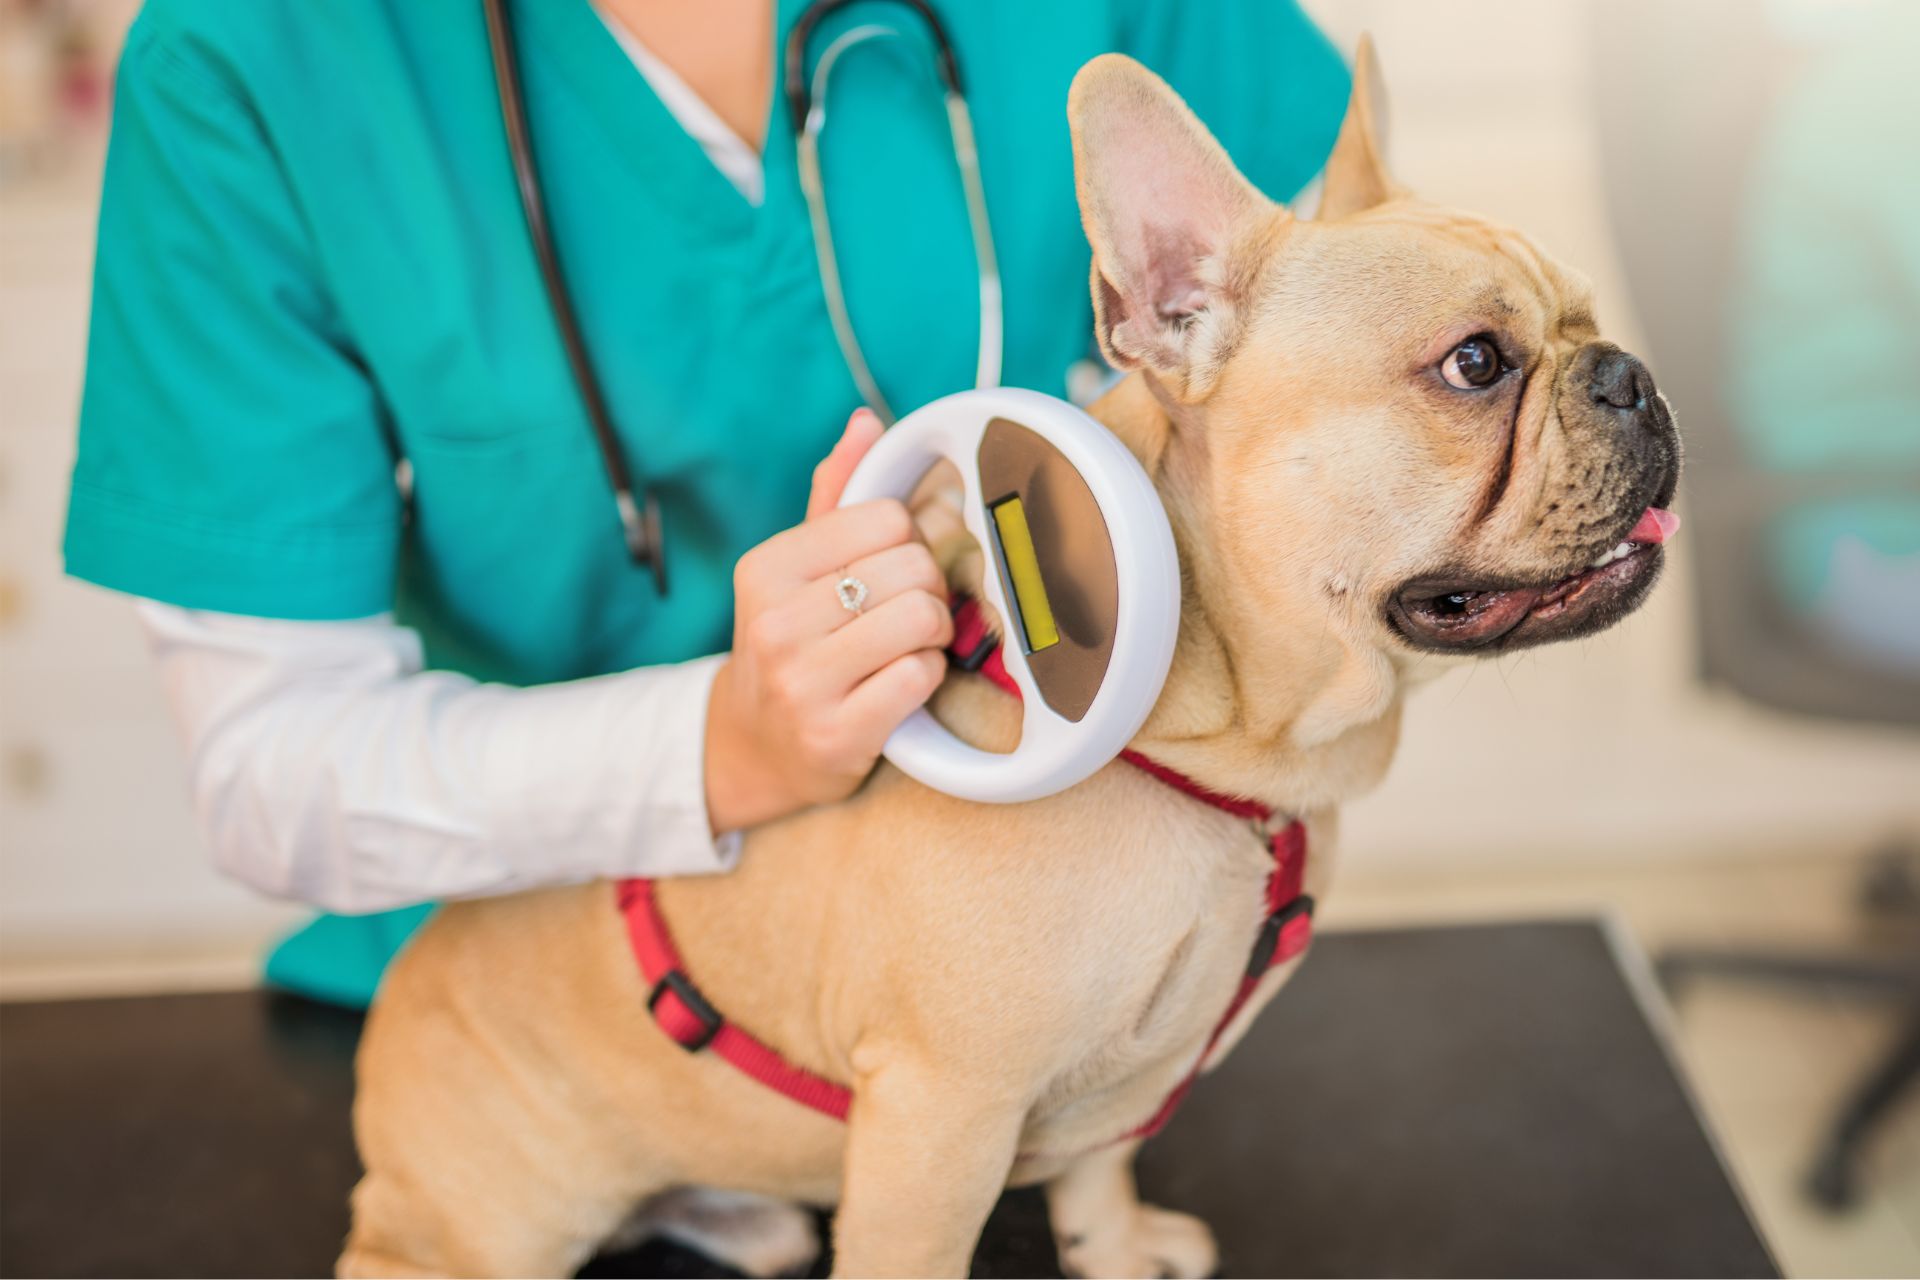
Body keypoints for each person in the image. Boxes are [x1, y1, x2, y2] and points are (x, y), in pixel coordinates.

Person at [64, 0, 1349, 1007]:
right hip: (543, 1020)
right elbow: (274, 773)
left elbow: (1348, 363)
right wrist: (728, 743)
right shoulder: (251, 59)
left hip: (1068, 959)